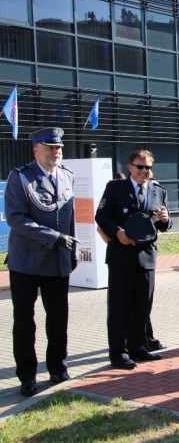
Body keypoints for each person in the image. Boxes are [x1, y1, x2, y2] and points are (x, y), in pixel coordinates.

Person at [5, 127, 78, 397]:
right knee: (25, 321)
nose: (56, 152)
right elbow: (16, 218)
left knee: (58, 319)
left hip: (57, 261)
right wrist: (55, 237)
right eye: (49, 147)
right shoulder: (21, 177)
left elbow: (69, 219)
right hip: (26, 262)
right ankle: (27, 375)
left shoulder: (67, 176)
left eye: (59, 147)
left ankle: (58, 367)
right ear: (36, 149)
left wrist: (69, 251)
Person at [95, 150, 172, 370]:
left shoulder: (158, 191)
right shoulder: (115, 188)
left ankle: (139, 346)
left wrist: (166, 220)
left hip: (147, 258)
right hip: (121, 256)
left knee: (142, 307)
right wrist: (117, 232)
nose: (144, 171)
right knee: (120, 308)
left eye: (148, 167)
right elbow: (101, 216)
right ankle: (118, 352)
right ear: (130, 167)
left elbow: (163, 224)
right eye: (140, 167)